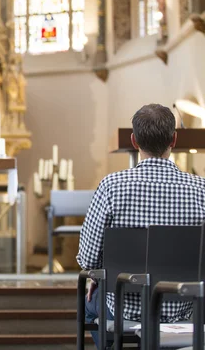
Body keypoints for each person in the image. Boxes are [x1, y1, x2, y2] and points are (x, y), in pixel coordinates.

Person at [77, 103, 205, 348]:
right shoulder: (201, 189)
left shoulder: (111, 186)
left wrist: (95, 274)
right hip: (184, 307)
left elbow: (89, 258)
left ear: (134, 141)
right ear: (174, 139)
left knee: (89, 306)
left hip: (123, 308)